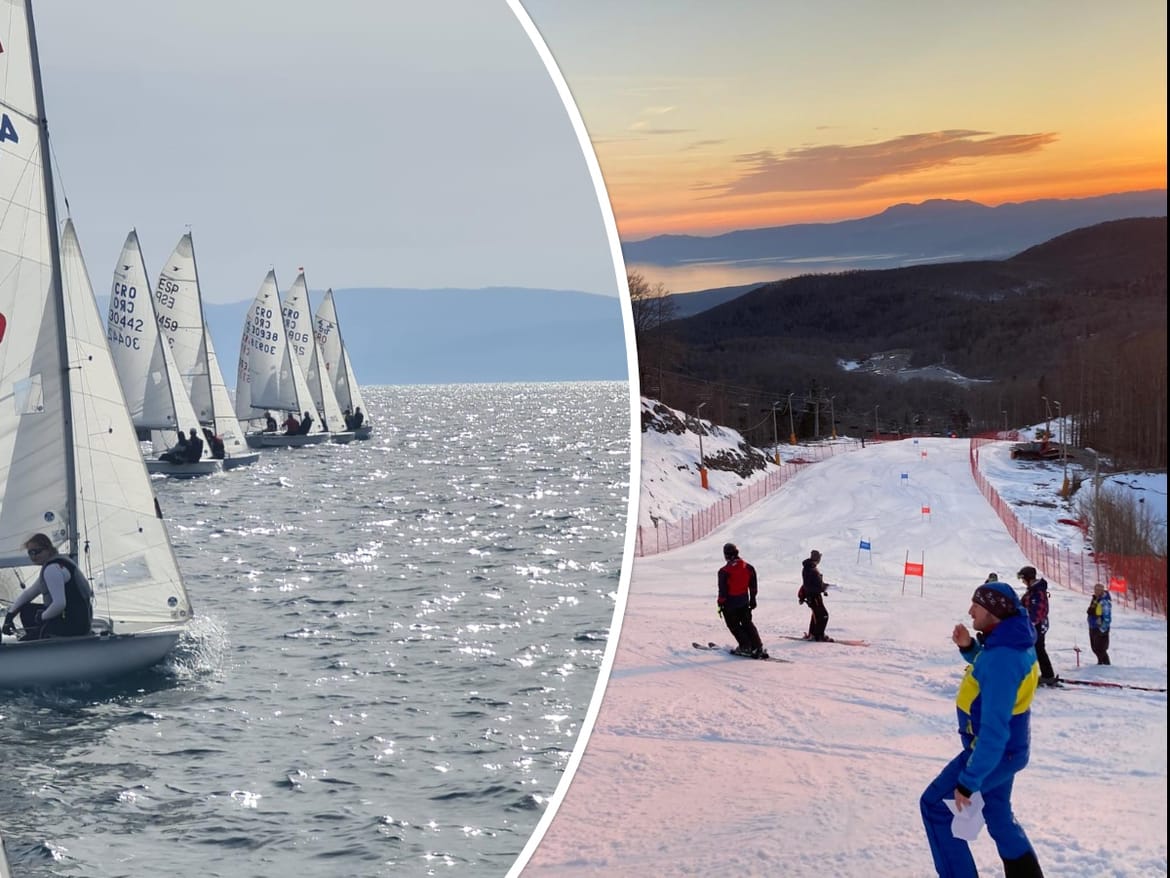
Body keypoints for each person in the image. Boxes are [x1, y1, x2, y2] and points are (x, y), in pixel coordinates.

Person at [920, 581, 1045, 878]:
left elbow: (994, 731)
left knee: (935, 807)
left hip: (992, 753)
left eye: (976, 606)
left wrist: (968, 781)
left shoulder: (1004, 657)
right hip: (1007, 753)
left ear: (993, 611)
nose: (970, 611)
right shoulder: (1007, 640)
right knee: (997, 812)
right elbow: (987, 665)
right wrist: (969, 648)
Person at [2, 533, 94, 641]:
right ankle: (40, 635)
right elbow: (29, 594)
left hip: (74, 627)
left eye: (37, 551)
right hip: (81, 623)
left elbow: (59, 604)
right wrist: (9, 616)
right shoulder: (58, 564)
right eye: (30, 552)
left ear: (48, 550)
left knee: (27, 624)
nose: (34, 556)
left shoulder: (52, 569)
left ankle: (41, 640)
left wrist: (42, 617)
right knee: (27, 609)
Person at [716, 542, 767, 658]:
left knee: (733, 625)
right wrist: (753, 599)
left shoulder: (724, 571)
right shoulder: (748, 567)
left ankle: (745, 647)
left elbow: (722, 591)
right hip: (744, 601)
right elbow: (753, 586)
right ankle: (757, 646)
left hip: (730, 603)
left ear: (726, 555)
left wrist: (720, 604)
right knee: (747, 623)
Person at [1018, 566, 1058, 686]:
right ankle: (1046, 674)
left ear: (1029, 578)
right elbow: (1023, 605)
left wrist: (1027, 624)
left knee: (1036, 649)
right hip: (1033, 626)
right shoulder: (1032, 590)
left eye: (1023, 578)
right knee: (1036, 649)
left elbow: (1037, 612)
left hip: (1037, 626)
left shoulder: (1037, 592)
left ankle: (1047, 675)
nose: (1022, 581)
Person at [801, 549, 832, 642]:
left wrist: (824, 586)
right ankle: (819, 635)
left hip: (815, 596)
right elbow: (809, 586)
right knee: (823, 615)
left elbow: (814, 583)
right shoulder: (810, 569)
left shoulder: (811, 568)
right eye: (819, 557)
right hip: (813, 596)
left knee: (817, 615)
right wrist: (822, 588)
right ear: (817, 558)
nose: (820, 560)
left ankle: (813, 634)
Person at [1086, 583, 1112, 665]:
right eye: (1095, 590)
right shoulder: (1095, 599)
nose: (1096, 591)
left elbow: (1107, 617)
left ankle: (1105, 664)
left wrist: (1102, 629)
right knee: (1094, 648)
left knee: (1100, 648)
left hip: (1100, 628)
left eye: (1098, 590)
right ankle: (1100, 662)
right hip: (1093, 626)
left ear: (1102, 590)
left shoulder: (1104, 601)